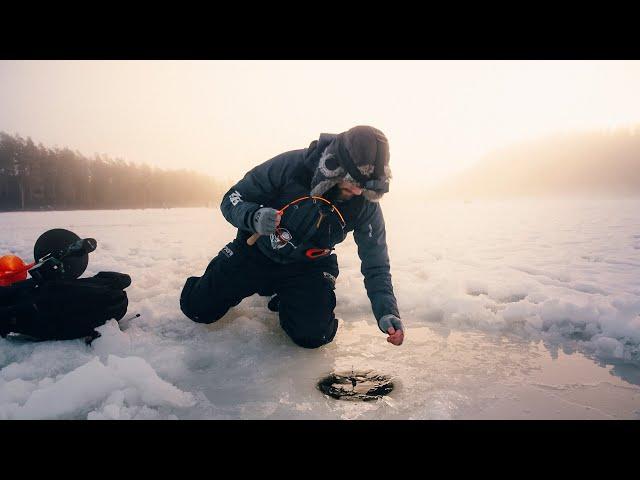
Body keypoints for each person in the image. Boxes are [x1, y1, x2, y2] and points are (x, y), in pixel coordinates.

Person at [180, 126, 404, 348]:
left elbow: (376, 263)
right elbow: (232, 199)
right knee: (198, 309)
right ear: (336, 165)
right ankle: (216, 284)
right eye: (354, 181)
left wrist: (386, 311)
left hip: (309, 266)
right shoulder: (290, 166)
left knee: (314, 335)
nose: (358, 191)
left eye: (365, 185)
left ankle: (287, 299)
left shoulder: (365, 204)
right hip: (255, 251)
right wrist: (254, 216)